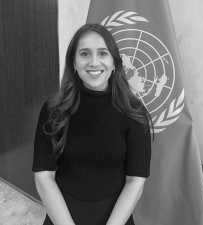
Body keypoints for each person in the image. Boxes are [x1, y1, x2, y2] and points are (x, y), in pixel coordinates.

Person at [32, 23, 153, 225]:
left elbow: (135, 181)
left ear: (114, 63)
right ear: (73, 62)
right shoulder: (53, 110)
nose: (94, 62)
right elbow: (44, 177)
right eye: (85, 54)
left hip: (116, 218)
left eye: (103, 53)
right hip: (62, 217)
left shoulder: (135, 113)